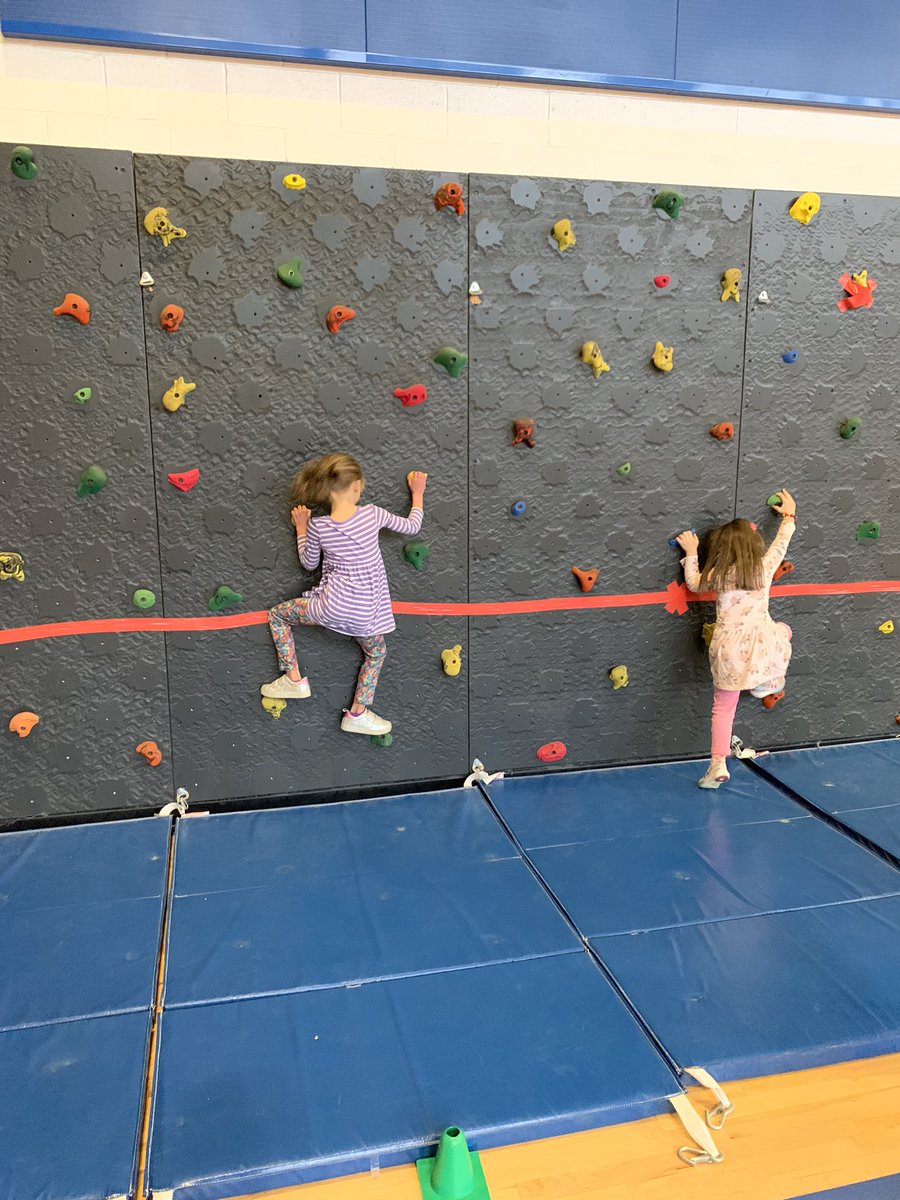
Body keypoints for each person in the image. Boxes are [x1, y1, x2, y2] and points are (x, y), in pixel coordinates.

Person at [261, 453, 427, 736]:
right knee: (376, 653)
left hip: (328, 608)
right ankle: (358, 713)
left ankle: (293, 679)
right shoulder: (372, 514)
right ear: (356, 486)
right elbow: (412, 526)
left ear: (326, 491)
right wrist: (418, 494)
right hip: (365, 615)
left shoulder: (319, 526)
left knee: (278, 616)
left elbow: (309, 563)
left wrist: (301, 528)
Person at [677, 489, 796, 788]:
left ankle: (717, 763)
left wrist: (692, 552)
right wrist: (790, 515)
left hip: (729, 647)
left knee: (723, 706)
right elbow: (781, 544)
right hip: (762, 641)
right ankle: (766, 683)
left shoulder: (719, 573)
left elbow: (692, 583)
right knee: (783, 633)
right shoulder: (764, 568)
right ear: (754, 545)